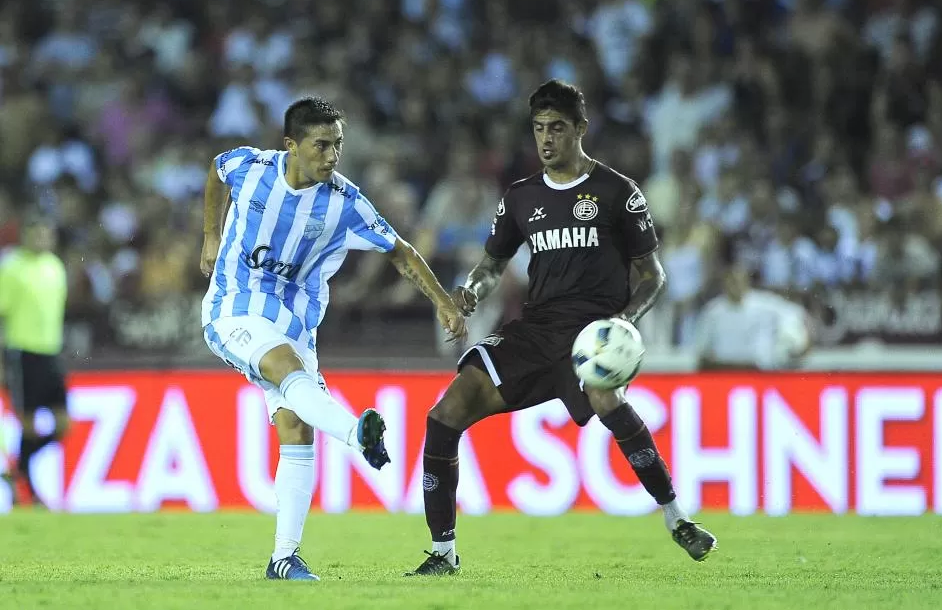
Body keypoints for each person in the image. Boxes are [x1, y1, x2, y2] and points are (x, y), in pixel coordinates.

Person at [406, 80, 718, 576]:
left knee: (605, 397)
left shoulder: (618, 193)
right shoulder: (521, 197)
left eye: (556, 128)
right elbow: (491, 264)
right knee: (444, 415)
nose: (546, 139)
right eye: (538, 129)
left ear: (580, 129)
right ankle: (443, 555)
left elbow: (653, 275)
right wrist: (471, 291)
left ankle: (678, 519)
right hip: (535, 330)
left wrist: (623, 322)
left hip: (591, 334)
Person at [199, 97, 466, 581]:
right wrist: (210, 238)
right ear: (291, 146)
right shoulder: (251, 167)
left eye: (337, 145)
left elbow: (400, 251)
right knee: (287, 371)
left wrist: (443, 301)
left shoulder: (345, 202)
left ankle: (283, 558)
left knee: (297, 430)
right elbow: (216, 174)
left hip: (298, 322)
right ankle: (355, 435)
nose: (331, 156)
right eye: (321, 145)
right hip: (234, 307)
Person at [0, 211, 69, 507]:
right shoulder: (12, 267)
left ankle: (18, 471)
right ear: (25, 236)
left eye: (46, 233)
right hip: (22, 353)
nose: (41, 238)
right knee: (27, 424)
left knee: (65, 425)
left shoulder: (55, 267)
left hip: (51, 352)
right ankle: (27, 488)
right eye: (36, 233)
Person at [694, 265, 811, 371]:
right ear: (724, 284)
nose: (735, 286)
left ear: (746, 283)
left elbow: (795, 312)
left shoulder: (765, 304)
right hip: (726, 371)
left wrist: (802, 342)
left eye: (739, 281)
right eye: (732, 282)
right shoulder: (713, 311)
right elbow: (702, 348)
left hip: (759, 370)